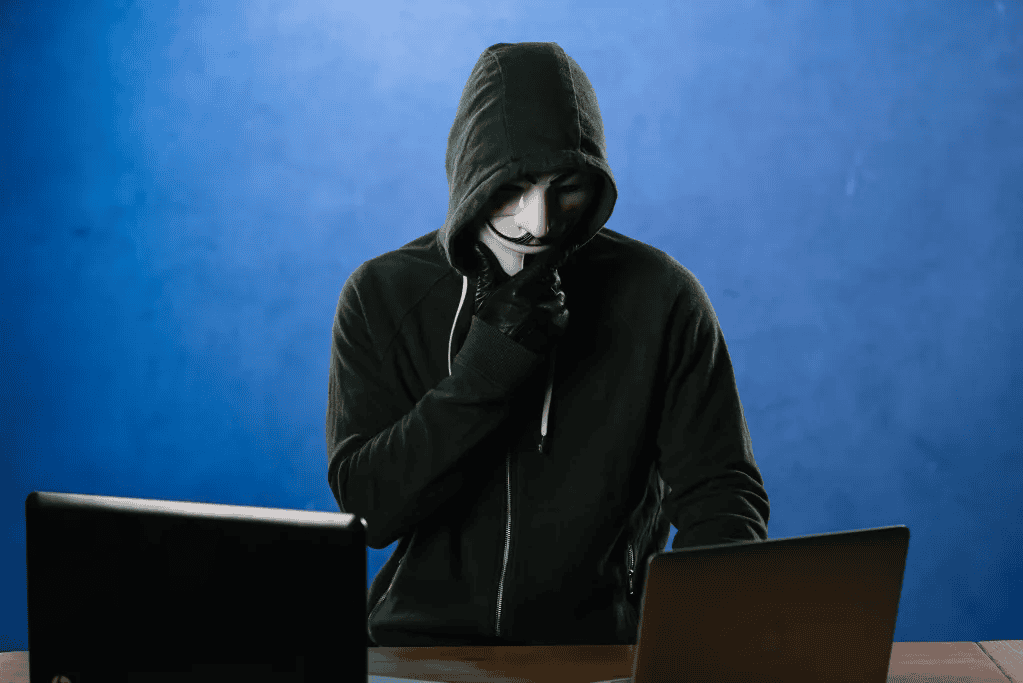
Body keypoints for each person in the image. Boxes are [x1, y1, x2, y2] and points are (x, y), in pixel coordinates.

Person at [326, 41, 770, 647]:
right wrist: (490, 367)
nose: (538, 223)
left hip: (599, 655)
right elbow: (371, 509)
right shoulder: (382, 295)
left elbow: (721, 493)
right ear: (470, 178)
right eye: (512, 188)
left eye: (566, 188)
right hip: (415, 654)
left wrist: (699, 645)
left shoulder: (661, 296)